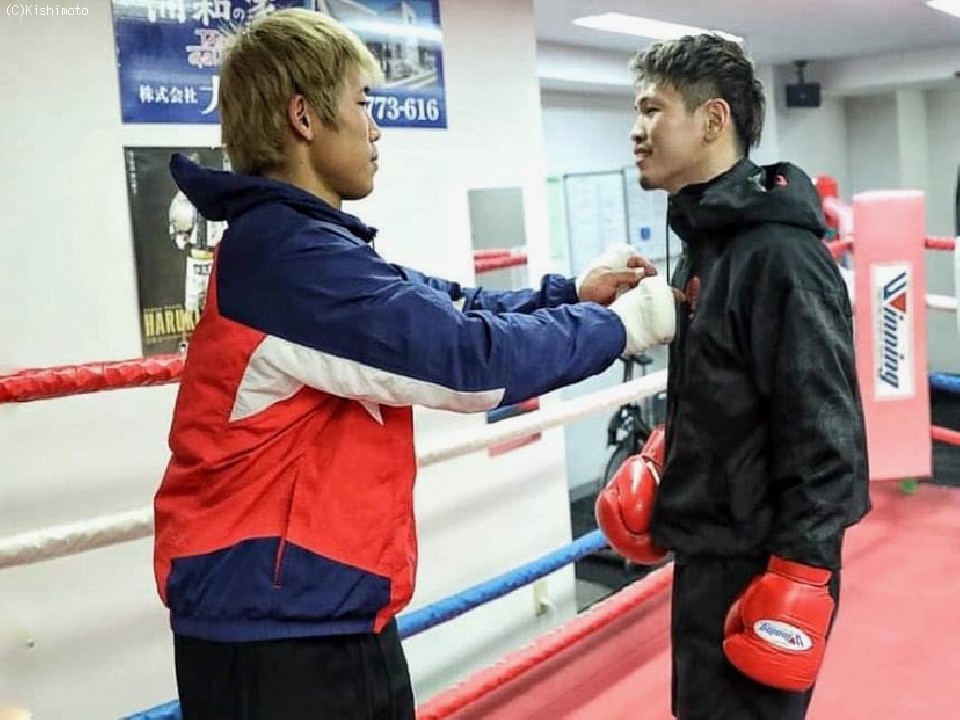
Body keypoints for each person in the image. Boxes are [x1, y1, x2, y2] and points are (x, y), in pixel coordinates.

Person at [151, 9, 678, 720]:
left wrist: (573, 295)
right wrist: (623, 326)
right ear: (304, 118)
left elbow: (451, 306)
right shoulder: (286, 258)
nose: (375, 129)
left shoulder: (308, 244)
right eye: (362, 104)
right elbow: (466, 362)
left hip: (320, 611)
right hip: (274, 637)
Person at [595, 33, 871, 720]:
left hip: (759, 569)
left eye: (652, 110)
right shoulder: (707, 248)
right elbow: (731, 391)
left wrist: (802, 575)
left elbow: (828, 435)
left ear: (713, 120)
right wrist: (673, 459)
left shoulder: (781, 257)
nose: (636, 130)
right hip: (709, 556)